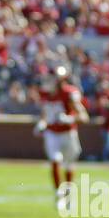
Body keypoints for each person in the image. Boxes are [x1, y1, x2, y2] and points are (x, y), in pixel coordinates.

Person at [35, 65, 87, 203]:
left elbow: (83, 116)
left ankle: (68, 194)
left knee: (69, 165)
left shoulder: (69, 93)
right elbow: (45, 114)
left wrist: (70, 118)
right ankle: (59, 195)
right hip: (52, 132)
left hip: (68, 133)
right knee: (55, 160)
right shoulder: (45, 94)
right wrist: (42, 123)